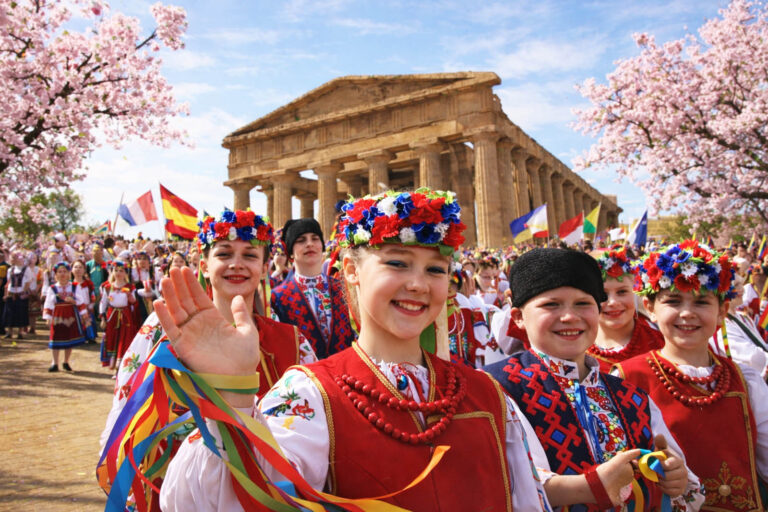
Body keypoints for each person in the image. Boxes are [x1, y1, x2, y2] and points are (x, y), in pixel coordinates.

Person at [155, 190, 553, 511]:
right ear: (349, 269)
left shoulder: (487, 396)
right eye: (397, 263)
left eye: (435, 270)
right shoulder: (311, 396)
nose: (418, 284)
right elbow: (213, 502)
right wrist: (230, 399)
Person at [97, 210, 317, 508]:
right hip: (174, 483)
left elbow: (308, 424)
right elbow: (128, 402)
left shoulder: (291, 340)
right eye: (224, 253)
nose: (236, 264)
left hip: (261, 488)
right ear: (203, 264)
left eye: (250, 256)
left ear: (265, 268)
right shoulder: (163, 327)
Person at [484, 248, 704, 511]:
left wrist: (676, 478)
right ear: (518, 317)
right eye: (551, 304)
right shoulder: (496, 387)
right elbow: (503, 485)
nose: (570, 316)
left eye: (583, 304)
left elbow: (682, 483)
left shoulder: (631, 396)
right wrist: (592, 486)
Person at [615, 240, 768, 510]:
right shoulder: (627, 379)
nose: (687, 313)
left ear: (722, 311)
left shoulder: (746, 380)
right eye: (673, 301)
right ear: (649, 307)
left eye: (701, 302)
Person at [271, 218, 355, 359]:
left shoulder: (343, 288)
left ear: (322, 246)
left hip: (347, 374)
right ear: (290, 253)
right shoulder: (278, 297)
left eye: (315, 238)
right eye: (301, 240)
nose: (309, 244)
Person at [588, 247, 664, 372]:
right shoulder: (576, 346)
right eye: (603, 294)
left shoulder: (660, 343)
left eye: (622, 292)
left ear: (635, 292)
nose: (613, 302)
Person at [42, 261, 89, 372]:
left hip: (70, 314)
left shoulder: (74, 287)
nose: (62, 274)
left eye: (65, 271)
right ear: (56, 275)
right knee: (55, 337)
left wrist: (83, 314)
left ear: (69, 274)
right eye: (60, 272)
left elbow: (81, 301)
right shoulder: (52, 288)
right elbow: (48, 303)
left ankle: (66, 361)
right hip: (57, 315)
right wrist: (48, 317)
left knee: (69, 338)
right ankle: (54, 362)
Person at [99, 260, 138, 371]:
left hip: (125, 316)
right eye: (116, 270)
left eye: (121, 271)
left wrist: (130, 296)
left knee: (124, 338)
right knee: (112, 337)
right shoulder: (107, 287)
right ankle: (112, 360)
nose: (118, 273)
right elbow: (103, 303)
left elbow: (134, 302)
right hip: (112, 315)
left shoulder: (130, 287)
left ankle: (120, 365)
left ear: (125, 273)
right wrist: (103, 317)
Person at [3, 251, 33, 341]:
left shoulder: (26, 269)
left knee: (21, 312)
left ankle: (20, 332)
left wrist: (23, 291)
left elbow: (28, 281)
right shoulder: (10, 269)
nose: (20, 260)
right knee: (9, 313)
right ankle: (9, 331)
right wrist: (7, 294)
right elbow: (9, 282)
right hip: (11, 293)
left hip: (21, 293)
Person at [71, 259, 97, 343]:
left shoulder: (89, 283)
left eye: (80, 267)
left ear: (84, 270)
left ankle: (90, 337)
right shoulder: (69, 284)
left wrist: (91, 305)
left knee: (88, 321)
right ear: (72, 270)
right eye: (75, 267)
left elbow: (92, 295)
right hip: (74, 308)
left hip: (87, 308)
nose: (78, 269)